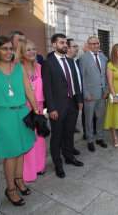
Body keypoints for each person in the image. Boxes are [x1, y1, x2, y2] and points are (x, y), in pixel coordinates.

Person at [0, 36, 38, 206]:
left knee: (21, 150)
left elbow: (28, 90)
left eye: (11, 48)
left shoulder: (19, 68)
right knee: (11, 153)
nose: (9, 52)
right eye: (4, 48)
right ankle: (10, 189)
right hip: (1, 115)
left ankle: (19, 180)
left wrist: (36, 111)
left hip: (21, 112)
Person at [43, 34, 84, 178]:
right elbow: (47, 88)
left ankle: (69, 156)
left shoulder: (71, 61)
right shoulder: (48, 63)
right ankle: (57, 164)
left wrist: (79, 99)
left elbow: (75, 82)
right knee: (57, 136)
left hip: (72, 103)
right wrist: (51, 108)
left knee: (69, 133)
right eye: (62, 42)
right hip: (58, 107)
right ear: (54, 44)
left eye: (66, 42)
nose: (65, 45)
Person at [16, 40, 47, 181]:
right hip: (24, 107)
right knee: (27, 139)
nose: (32, 52)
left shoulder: (40, 67)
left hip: (38, 106)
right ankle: (27, 171)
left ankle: (40, 166)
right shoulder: (17, 68)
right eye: (28, 49)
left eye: (34, 49)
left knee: (39, 138)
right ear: (21, 52)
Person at [79, 35, 109, 152]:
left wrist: (106, 90)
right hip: (90, 95)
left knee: (101, 117)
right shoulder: (83, 58)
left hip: (102, 94)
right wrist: (86, 94)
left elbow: (105, 76)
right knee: (89, 119)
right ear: (88, 45)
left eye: (98, 43)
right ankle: (90, 139)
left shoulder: (103, 57)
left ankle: (99, 138)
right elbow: (82, 78)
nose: (96, 45)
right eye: (94, 44)